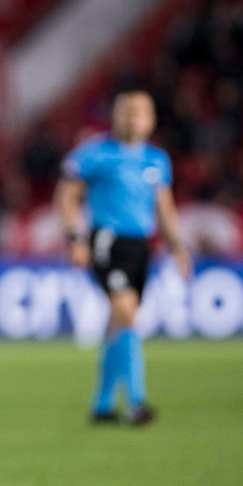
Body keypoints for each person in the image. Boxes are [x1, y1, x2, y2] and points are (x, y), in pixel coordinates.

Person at [55, 89, 190, 425]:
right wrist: (75, 238)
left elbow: (165, 208)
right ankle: (137, 402)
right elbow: (67, 195)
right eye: (127, 111)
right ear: (115, 116)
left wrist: (177, 247)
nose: (133, 117)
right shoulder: (94, 154)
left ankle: (101, 406)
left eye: (140, 111)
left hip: (141, 246)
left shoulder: (157, 160)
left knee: (118, 323)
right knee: (126, 313)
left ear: (151, 119)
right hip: (107, 241)